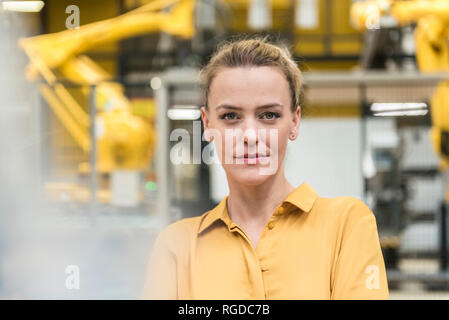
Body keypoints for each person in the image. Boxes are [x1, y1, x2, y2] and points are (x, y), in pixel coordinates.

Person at [141, 37, 389, 300]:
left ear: (294, 122)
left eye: (269, 115)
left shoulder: (346, 225)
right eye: (230, 116)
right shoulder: (177, 246)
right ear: (207, 123)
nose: (249, 135)